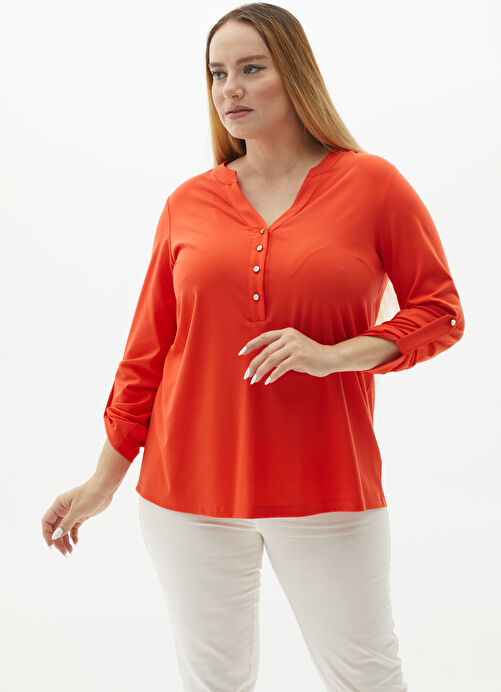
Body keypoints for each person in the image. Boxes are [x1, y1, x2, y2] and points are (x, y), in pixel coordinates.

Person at [42, 3, 465, 690]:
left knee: (368, 679)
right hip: (186, 494)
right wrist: (102, 481)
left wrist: (333, 354)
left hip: (327, 487)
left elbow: (439, 312)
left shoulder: (372, 185)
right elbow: (147, 354)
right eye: (216, 73)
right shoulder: (188, 202)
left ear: (294, 75)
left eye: (250, 69)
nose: (229, 88)